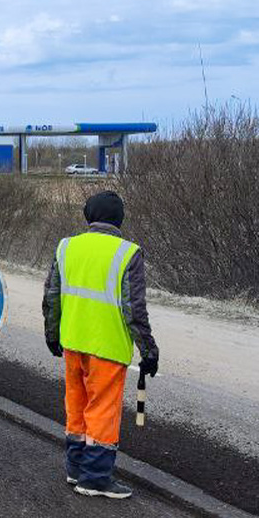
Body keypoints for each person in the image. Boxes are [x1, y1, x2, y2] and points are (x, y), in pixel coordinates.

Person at [42, 190, 160, 500]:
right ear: (119, 220)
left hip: (72, 343)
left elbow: (51, 297)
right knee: (103, 412)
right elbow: (134, 309)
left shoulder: (66, 247)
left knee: (77, 407)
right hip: (106, 347)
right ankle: (95, 479)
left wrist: (52, 334)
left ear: (88, 216)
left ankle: (75, 468)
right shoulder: (128, 253)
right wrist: (148, 351)